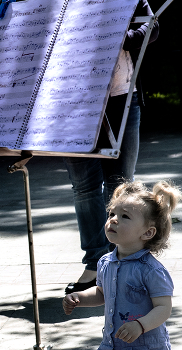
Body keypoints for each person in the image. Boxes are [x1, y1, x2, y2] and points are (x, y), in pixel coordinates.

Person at [64, 0, 159, 294]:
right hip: (72, 100)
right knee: (84, 186)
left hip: (122, 100)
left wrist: (121, 38)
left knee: (121, 186)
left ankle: (122, 262)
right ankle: (95, 264)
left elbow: (152, 26)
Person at [63, 180, 181, 350]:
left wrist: (140, 325)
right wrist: (80, 297)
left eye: (124, 216)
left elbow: (163, 308)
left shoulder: (151, 270)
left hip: (145, 345)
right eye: (111, 214)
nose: (113, 220)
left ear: (147, 232)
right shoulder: (105, 262)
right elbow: (102, 293)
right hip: (112, 343)